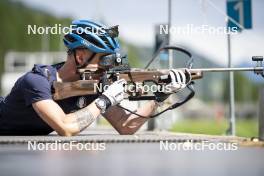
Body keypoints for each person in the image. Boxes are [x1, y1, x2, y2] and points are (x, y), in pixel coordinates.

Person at [0, 20, 189, 136]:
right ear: (81, 56)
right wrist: (104, 101)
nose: (109, 67)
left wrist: (159, 97)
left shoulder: (92, 85)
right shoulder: (36, 81)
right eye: (104, 60)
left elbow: (125, 127)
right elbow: (65, 128)